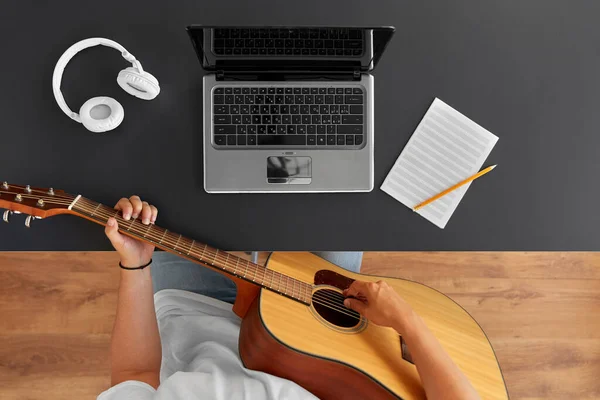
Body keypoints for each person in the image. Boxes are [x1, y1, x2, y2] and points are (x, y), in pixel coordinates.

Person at [98, 196, 480, 400]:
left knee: (185, 170)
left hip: (193, 306)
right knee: (337, 185)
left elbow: (134, 374)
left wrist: (136, 265)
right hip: (324, 335)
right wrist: (407, 321)